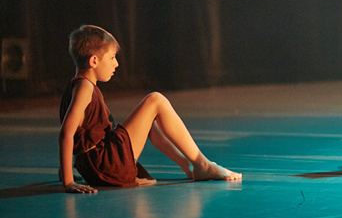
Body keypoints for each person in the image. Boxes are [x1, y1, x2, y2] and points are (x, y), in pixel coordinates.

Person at [59, 25, 242, 193]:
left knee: (150, 122)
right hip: (106, 165)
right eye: (112, 58)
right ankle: (202, 164)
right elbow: (66, 133)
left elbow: (78, 134)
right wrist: (68, 181)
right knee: (156, 100)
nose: (116, 64)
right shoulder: (85, 87)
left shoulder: (75, 86)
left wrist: (65, 170)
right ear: (94, 61)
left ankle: (189, 166)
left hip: (97, 166)